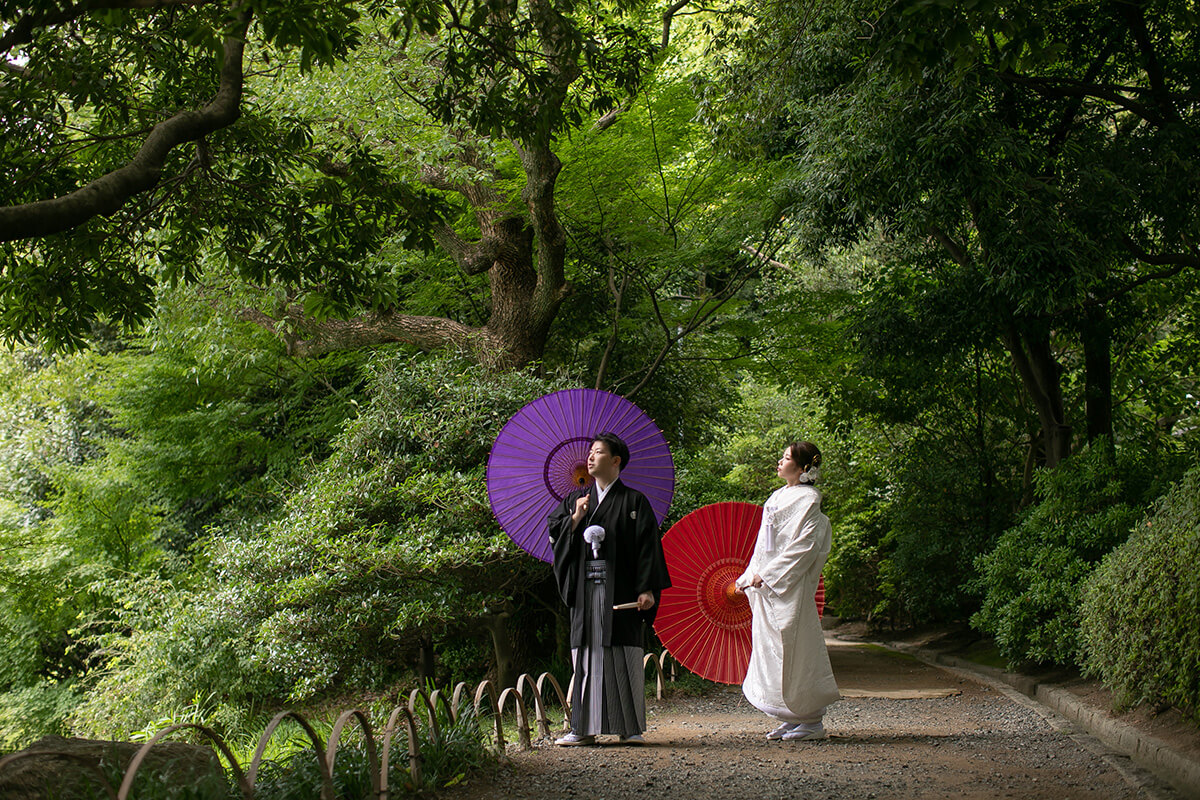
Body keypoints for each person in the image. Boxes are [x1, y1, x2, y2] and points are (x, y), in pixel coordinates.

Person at [548, 432, 672, 746]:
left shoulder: (634, 502)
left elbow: (648, 548)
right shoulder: (576, 501)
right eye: (590, 452)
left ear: (616, 461)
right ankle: (583, 728)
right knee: (587, 656)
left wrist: (646, 589)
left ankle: (629, 727)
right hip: (587, 590)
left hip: (622, 591)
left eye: (599, 452)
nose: (590, 457)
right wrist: (575, 518)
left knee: (623, 654)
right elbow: (554, 535)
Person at [735, 441, 840, 741]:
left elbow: (802, 548)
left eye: (786, 458)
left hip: (789, 586)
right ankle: (786, 715)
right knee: (771, 650)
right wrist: (751, 575)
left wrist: (768, 575)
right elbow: (762, 546)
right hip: (768, 587)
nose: (780, 462)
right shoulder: (776, 497)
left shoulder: (809, 500)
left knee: (794, 647)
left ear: (804, 467)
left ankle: (810, 720)